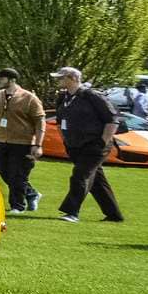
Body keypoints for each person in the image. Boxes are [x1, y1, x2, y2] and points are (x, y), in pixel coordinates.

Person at [54, 67, 126, 223]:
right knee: (97, 181)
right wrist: (66, 141)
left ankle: (71, 212)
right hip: (75, 145)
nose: (58, 80)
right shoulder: (63, 97)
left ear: (72, 78)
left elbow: (112, 120)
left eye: (61, 77)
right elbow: (59, 122)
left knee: (80, 175)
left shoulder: (92, 96)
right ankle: (114, 215)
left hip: (95, 144)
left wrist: (102, 142)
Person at [0, 68, 45, 214]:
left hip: (22, 142)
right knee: (1, 169)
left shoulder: (29, 98)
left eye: (1, 78)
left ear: (11, 80)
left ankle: (17, 206)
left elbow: (40, 121)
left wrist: (38, 144)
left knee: (17, 174)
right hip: (0, 140)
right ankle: (31, 193)